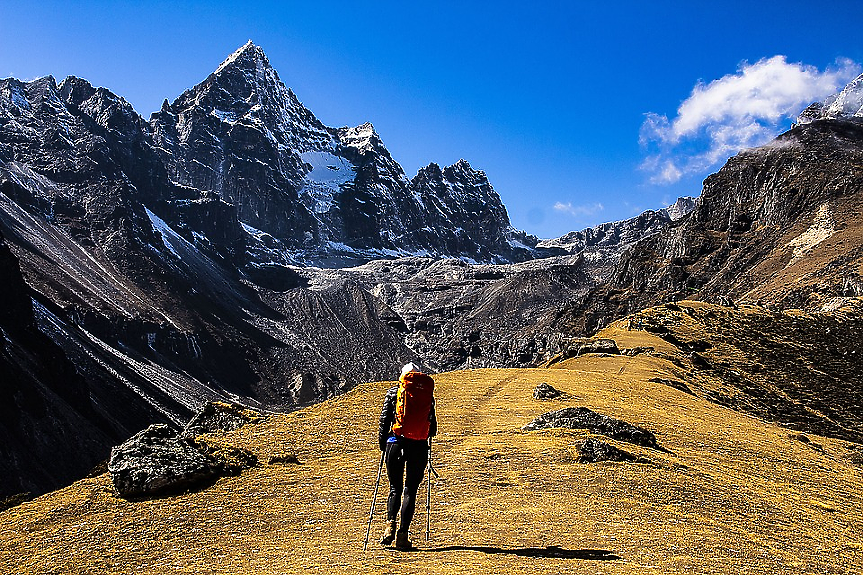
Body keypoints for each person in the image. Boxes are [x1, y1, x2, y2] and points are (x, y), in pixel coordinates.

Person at [377, 362, 437, 549]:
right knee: (410, 490)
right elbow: (433, 428)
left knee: (395, 487)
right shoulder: (427, 396)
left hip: (395, 443)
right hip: (418, 447)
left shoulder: (393, 393)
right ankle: (403, 536)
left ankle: (389, 526)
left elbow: (384, 422)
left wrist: (383, 446)